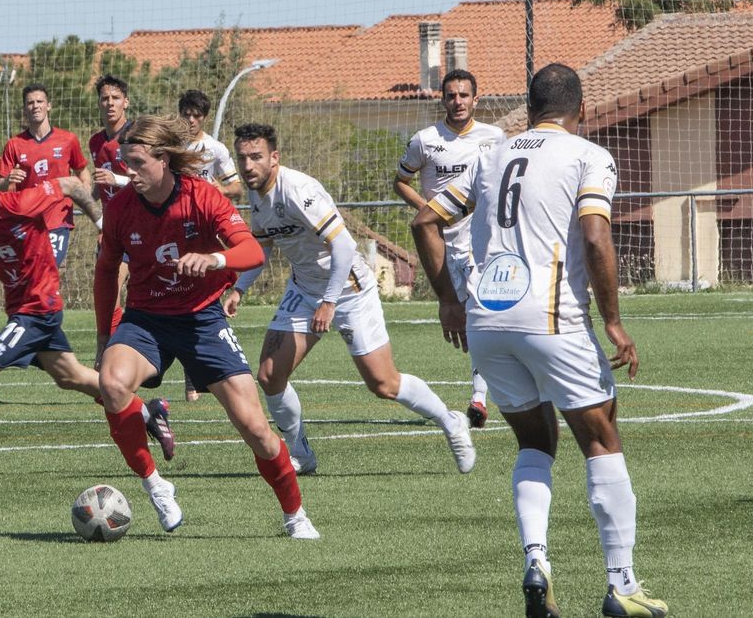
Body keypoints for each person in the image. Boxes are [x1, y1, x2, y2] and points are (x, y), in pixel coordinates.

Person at [411, 63, 668, 618]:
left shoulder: (490, 153)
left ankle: (536, 561)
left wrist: (449, 299)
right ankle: (622, 584)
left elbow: (422, 222)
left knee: (534, 442)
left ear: (529, 109)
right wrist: (614, 321)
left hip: (488, 321)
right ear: (583, 109)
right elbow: (596, 234)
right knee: (601, 439)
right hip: (553, 320)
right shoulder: (586, 155)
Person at [93, 115, 319, 539]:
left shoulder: (202, 196)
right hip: (147, 320)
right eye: (125, 163)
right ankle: (156, 485)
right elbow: (106, 272)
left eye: (138, 163)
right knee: (112, 382)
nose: (129, 172)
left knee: (255, 428)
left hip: (202, 317)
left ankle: (295, 516)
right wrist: (105, 335)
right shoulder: (121, 208)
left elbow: (252, 251)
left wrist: (214, 260)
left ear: (163, 160)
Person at [224, 123, 475, 476]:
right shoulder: (257, 194)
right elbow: (262, 248)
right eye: (242, 158)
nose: (248, 165)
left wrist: (329, 301)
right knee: (269, 375)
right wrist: (239, 288)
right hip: (304, 289)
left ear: (274, 158)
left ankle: (450, 421)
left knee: (383, 383)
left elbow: (343, 246)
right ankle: (301, 455)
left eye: (256, 157)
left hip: (349, 290)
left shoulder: (298, 190)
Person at [0, 150, 174, 469]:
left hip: (39, 308)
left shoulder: (22, 203)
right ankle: (148, 411)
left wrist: (102, 224)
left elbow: (72, 184)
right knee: (71, 377)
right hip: (20, 310)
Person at [396, 69, 506, 429]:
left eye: (464, 95)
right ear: (442, 99)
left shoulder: (495, 138)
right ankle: (488, 388)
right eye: (451, 96)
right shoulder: (425, 141)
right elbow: (401, 181)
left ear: (477, 99)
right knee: (466, 316)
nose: (457, 102)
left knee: (480, 312)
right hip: (443, 242)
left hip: (483, 241)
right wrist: (428, 214)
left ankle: (479, 397)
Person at [177, 89, 244, 402]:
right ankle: (193, 380)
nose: (191, 120)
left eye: (196, 115)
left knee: (202, 298)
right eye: (186, 114)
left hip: (206, 231)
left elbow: (236, 187)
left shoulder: (215, 149)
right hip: (175, 229)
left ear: (203, 117)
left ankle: (203, 376)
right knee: (181, 298)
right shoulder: (172, 146)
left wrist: (220, 188)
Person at [0, 84, 91, 267]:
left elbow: (82, 171)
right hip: (27, 220)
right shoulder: (15, 144)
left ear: (48, 105)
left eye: (40, 101)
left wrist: (85, 188)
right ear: (25, 108)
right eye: (30, 103)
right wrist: (7, 180)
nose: (35, 106)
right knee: (32, 273)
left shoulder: (68, 139)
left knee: (49, 268)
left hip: (57, 218)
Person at [88, 74, 134, 337]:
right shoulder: (96, 142)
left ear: (125, 102)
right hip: (111, 229)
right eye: (104, 98)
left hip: (140, 224)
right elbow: (98, 186)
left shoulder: (135, 135)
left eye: (115, 98)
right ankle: (109, 345)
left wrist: (115, 179)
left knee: (133, 293)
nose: (110, 103)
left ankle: (114, 345)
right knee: (108, 292)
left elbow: (151, 182)